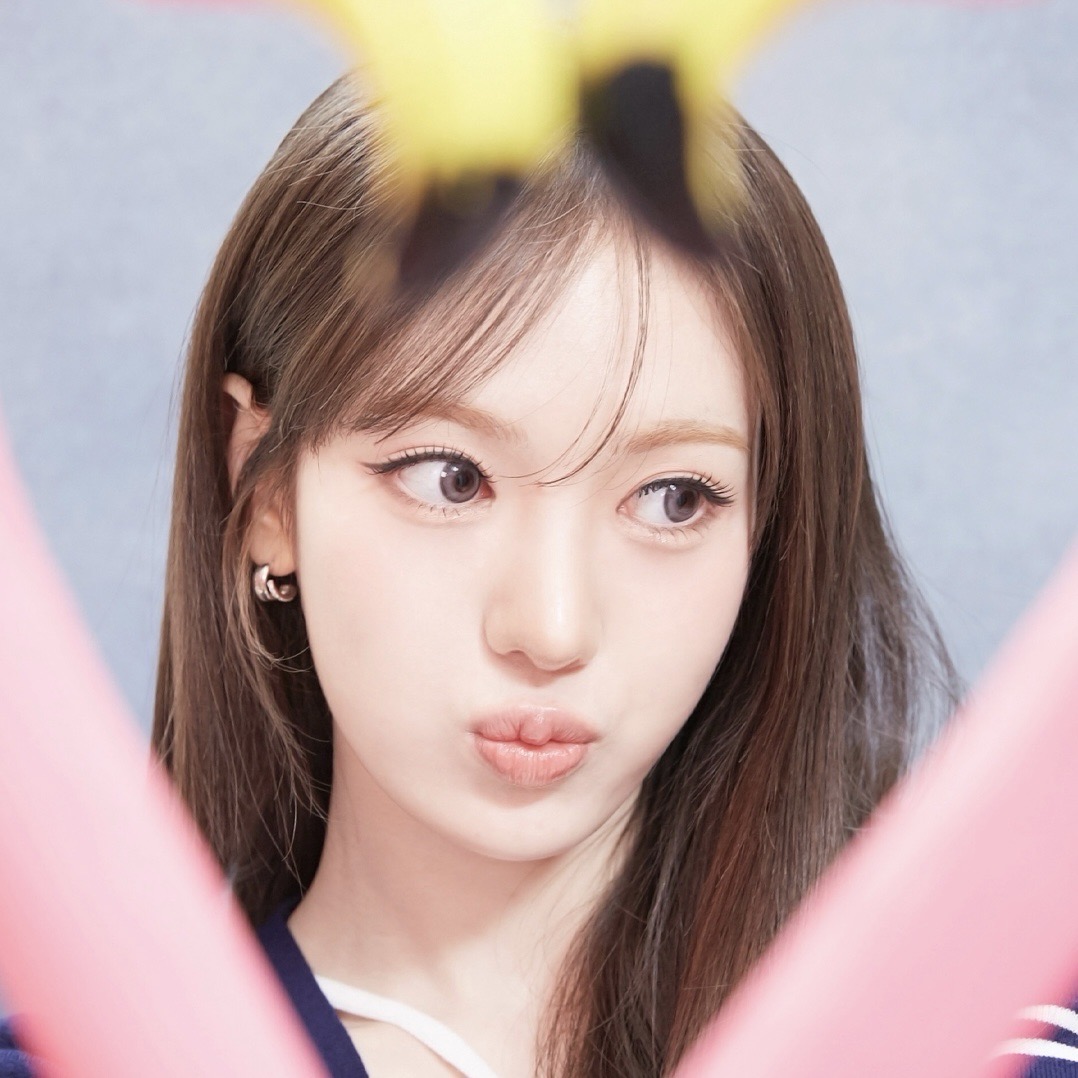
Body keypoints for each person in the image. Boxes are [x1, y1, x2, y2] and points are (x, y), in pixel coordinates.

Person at [2, 75, 963, 1077]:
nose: (551, 628)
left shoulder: (977, 1043)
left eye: (674, 498)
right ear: (268, 488)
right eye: (450, 479)